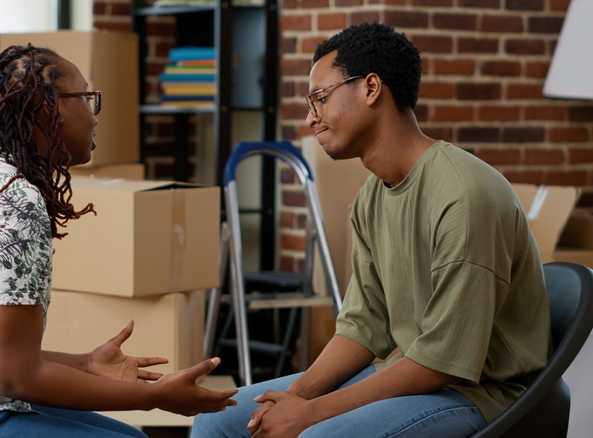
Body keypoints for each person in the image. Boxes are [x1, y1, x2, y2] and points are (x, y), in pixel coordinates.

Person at [0, 44, 237, 438]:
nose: (93, 115)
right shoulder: (14, 200)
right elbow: (15, 377)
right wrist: (152, 397)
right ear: (45, 107)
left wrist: (87, 364)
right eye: (86, 98)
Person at [191, 22, 550, 438]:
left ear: (371, 88)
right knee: (216, 423)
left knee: (317, 436)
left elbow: (441, 361)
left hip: (477, 393)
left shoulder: (464, 195)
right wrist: (295, 396)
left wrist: (311, 414)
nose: (311, 118)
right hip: (407, 373)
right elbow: (364, 327)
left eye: (320, 98)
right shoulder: (371, 198)